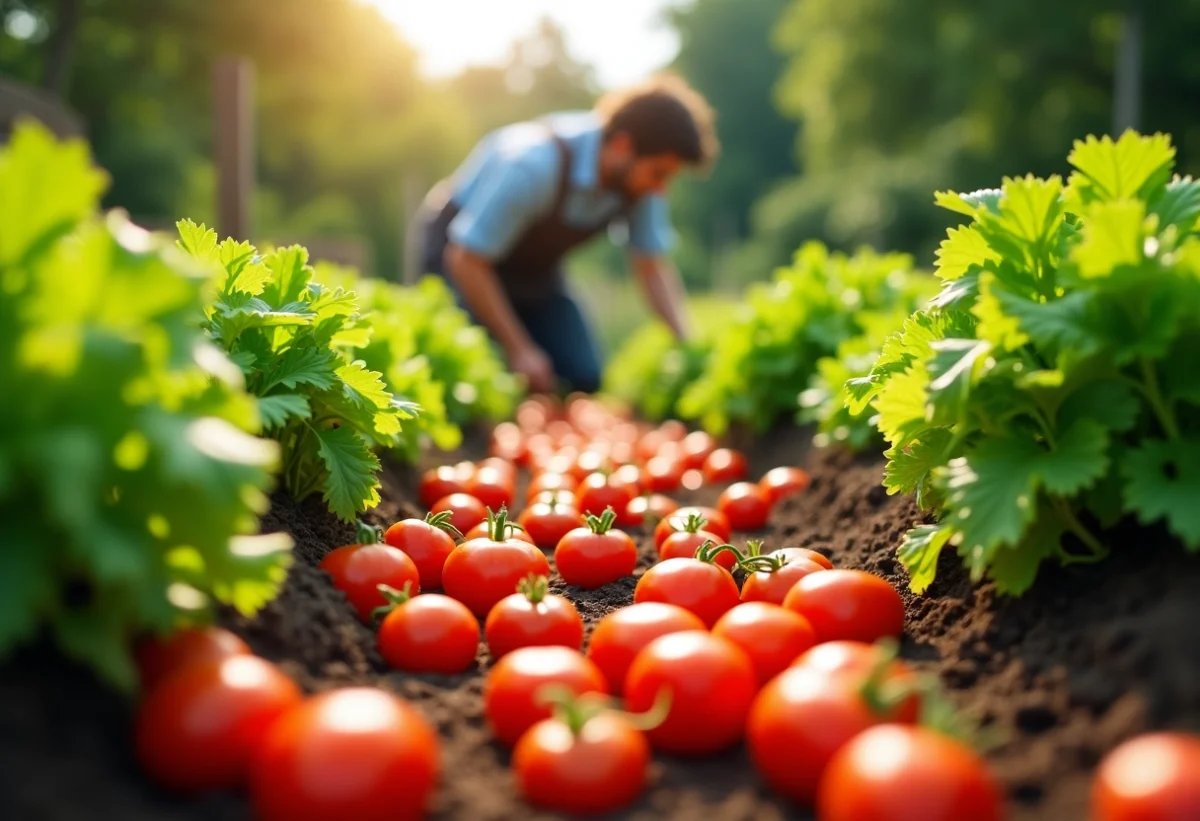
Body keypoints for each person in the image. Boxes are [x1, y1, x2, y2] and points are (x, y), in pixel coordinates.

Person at [414, 73, 719, 395]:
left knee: (584, 378)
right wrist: (519, 348)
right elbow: (466, 259)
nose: (661, 189)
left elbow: (651, 266)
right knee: (479, 374)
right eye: (658, 173)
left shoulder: (641, 185)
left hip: (534, 272)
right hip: (460, 258)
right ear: (622, 145)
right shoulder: (534, 166)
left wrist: (688, 344)